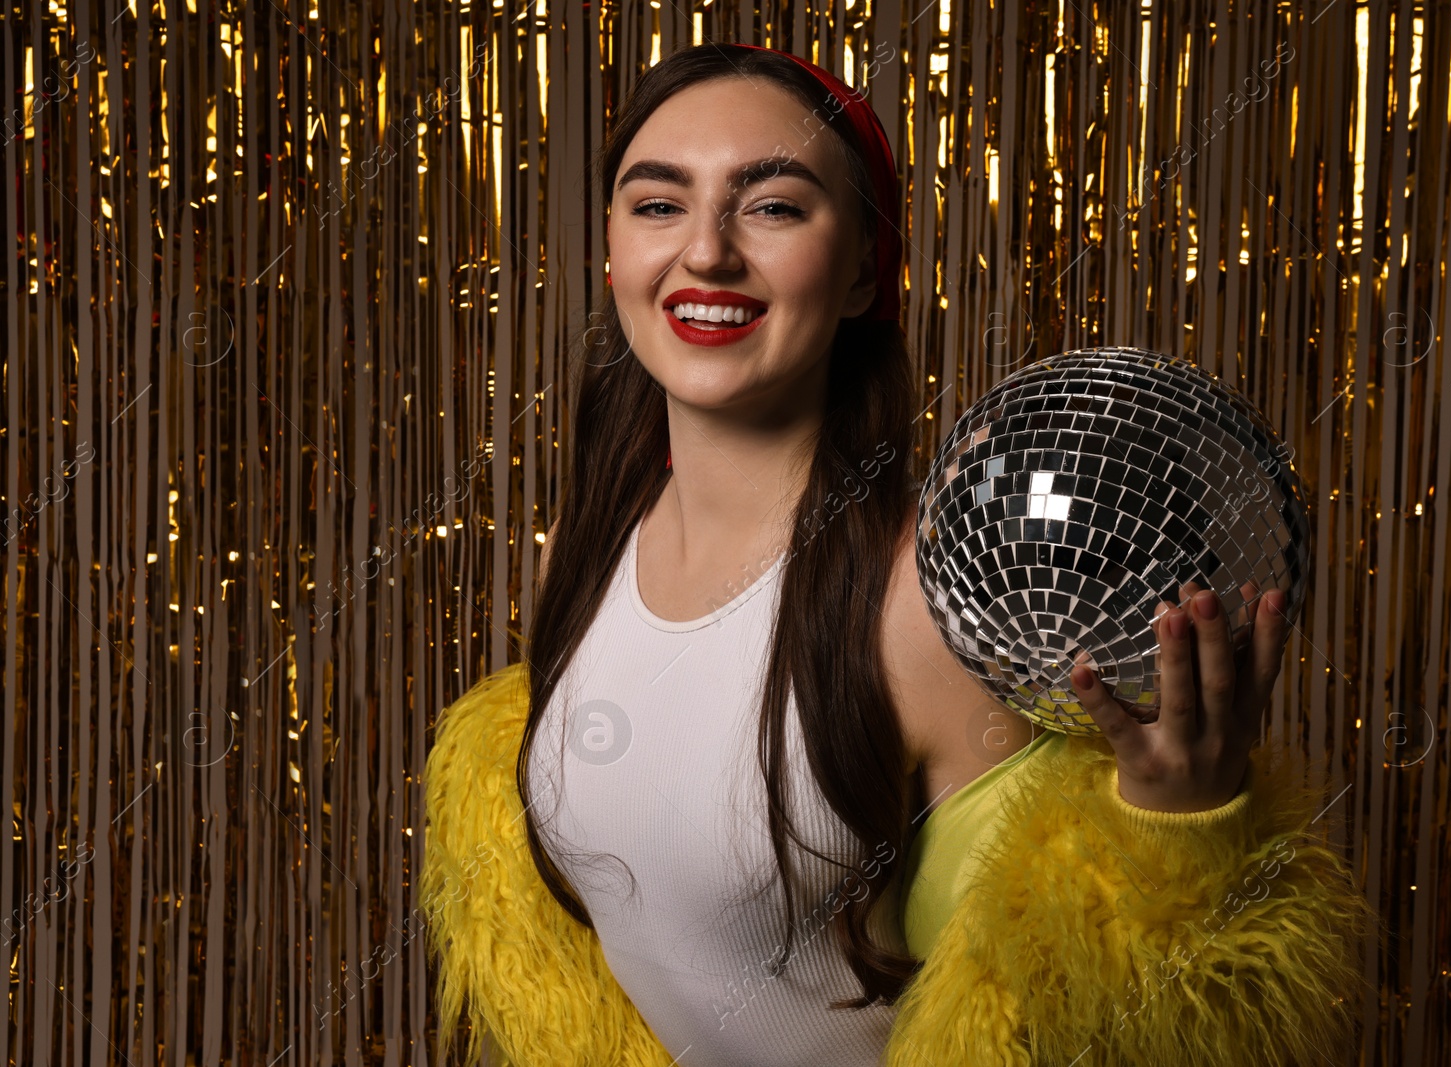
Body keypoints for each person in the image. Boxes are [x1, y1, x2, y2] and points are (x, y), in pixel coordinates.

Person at [420, 41, 1376, 1067]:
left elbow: (1053, 1009)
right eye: (657, 204)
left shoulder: (929, 606)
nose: (704, 252)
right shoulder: (590, 539)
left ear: (865, 272)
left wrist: (1173, 827)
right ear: (612, 252)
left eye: (774, 206)